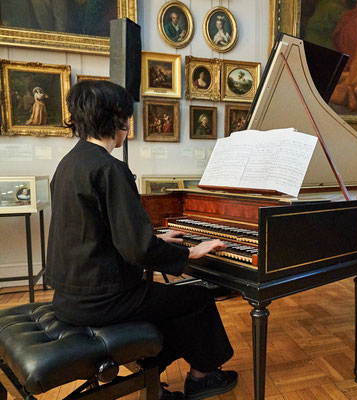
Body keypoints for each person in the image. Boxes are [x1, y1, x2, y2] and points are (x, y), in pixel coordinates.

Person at [46, 80, 238, 400]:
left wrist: (157, 235)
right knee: (197, 300)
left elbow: (96, 231)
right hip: (103, 300)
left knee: (170, 302)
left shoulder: (70, 163)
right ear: (117, 119)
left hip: (69, 298)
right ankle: (202, 377)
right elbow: (138, 249)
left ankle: (152, 382)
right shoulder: (109, 167)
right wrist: (189, 251)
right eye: (127, 117)